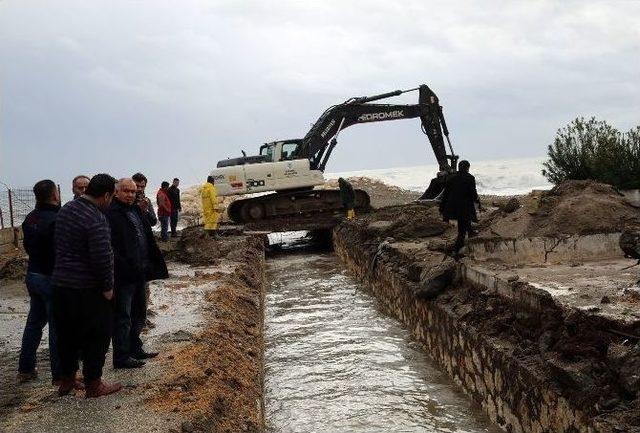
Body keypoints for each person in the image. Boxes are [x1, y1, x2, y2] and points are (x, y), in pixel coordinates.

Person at [51, 173, 122, 398]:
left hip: (61, 285)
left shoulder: (67, 210)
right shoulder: (95, 217)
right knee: (97, 335)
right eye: (112, 197)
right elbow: (102, 256)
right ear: (107, 195)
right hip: (87, 288)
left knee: (67, 335)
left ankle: (67, 379)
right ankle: (94, 383)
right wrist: (108, 287)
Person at [106, 179, 168, 369]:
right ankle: (121, 356)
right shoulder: (110, 214)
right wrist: (124, 266)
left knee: (139, 313)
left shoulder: (135, 210)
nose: (131, 194)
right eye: (126, 191)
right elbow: (111, 247)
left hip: (140, 272)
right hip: (123, 275)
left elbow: (147, 232)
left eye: (133, 191)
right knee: (123, 316)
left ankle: (135, 347)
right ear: (116, 192)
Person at [18, 180, 67, 386]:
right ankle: (59, 375)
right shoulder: (56, 219)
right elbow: (62, 251)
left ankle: (26, 369)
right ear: (55, 195)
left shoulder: (30, 218)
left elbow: (28, 246)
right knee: (57, 327)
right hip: (51, 277)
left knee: (34, 323)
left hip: (33, 274)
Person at [439, 160, 483, 257]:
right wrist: (477, 200)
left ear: (459, 167)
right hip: (464, 208)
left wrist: (442, 209)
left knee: (464, 224)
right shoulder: (470, 178)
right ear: (468, 168)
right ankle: (455, 251)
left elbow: (445, 195)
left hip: (452, 209)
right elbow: (473, 193)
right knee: (462, 231)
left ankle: (470, 232)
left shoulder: (451, 178)